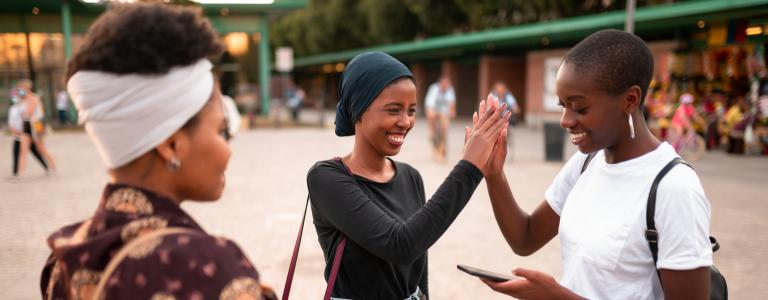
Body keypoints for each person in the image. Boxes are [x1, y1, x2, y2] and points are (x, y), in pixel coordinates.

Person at [40, 3, 275, 299]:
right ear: (171, 144)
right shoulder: (206, 266)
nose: (228, 150)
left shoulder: (66, 254)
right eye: (220, 131)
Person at [480, 30, 713, 299]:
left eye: (579, 108)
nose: (565, 120)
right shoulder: (585, 163)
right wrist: (494, 174)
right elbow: (525, 238)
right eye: (563, 105)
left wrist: (558, 297)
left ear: (630, 100)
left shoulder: (674, 188)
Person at [307, 51, 510, 299]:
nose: (406, 122)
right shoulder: (326, 178)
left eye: (411, 111)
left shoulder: (410, 176)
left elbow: (418, 264)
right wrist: (469, 168)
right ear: (358, 110)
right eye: (394, 110)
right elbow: (400, 245)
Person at [15, 79, 57, 173]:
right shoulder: (22, 100)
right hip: (27, 125)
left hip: (37, 126)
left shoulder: (34, 98)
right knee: (23, 149)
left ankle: (52, 162)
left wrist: (21, 109)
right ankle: (19, 173)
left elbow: (28, 113)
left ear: (26, 88)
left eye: (21, 89)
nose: (20, 91)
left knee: (40, 148)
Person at [7, 95, 50, 180]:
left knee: (31, 152)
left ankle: (17, 174)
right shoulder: (14, 109)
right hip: (20, 134)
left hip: (25, 133)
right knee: (19, 153)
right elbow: (12, 124)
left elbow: (33, 118)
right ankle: (16, 173)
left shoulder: (23, 107)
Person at [424, 76, 456, 162]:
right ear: (440, 83)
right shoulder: (434, 89)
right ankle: (431, 132)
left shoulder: (449, 89)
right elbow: (429, 103)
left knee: (444, 130)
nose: (447, 86)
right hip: (433, 109)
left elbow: (451, 102)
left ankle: (442, 151)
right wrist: (430, 113)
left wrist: (452, 112)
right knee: (432, 126)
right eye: (445, 84)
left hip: (443, 112)